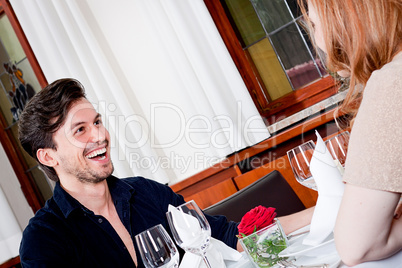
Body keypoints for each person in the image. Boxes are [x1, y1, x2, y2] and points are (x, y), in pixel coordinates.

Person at [18, 78, 313, 267]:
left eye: (97, 122)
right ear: (48, 156)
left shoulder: (147, 193)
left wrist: (325, 212)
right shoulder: (44, 239)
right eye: (80, 130)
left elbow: (227, 236)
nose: (99, 135)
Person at [298, 0, 402, 265]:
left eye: (314, 23)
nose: (316, 40)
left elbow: (357, 246)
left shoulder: (392, 83)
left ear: (346, 17)